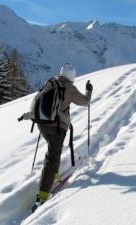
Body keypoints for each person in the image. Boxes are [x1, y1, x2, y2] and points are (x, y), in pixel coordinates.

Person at [33, 63, 93, 210]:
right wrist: (88, 90)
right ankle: (42, 196)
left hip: (42, 124)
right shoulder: (69, 87)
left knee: (54, 151)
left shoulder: (50, 82)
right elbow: (85, 102)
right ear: (72, 77)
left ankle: (53, 174)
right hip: (57, 126)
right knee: (52, 156)